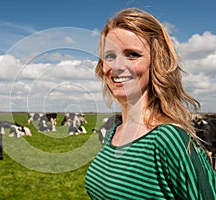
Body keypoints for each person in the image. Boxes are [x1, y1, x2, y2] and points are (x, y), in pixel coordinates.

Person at [85, 8, 216, 199]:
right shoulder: (114, 132)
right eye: (110, 56)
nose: (117, 66)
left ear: (156, 63)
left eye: (132, 54)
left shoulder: (167, 138)